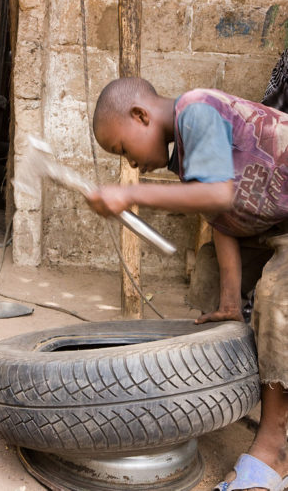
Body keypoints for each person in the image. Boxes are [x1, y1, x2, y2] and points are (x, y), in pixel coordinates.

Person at [86, 76, 288, 490]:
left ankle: (276, 443)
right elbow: (223, 220)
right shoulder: (185, 153)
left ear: (140, 116)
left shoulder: (197, 109)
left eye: (123, 149)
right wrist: (230, 301)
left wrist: (129, 197)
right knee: (211, 277)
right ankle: (244, 386)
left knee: (276, 298)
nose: (132, 164)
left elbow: (216, 196)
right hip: (274, 221)